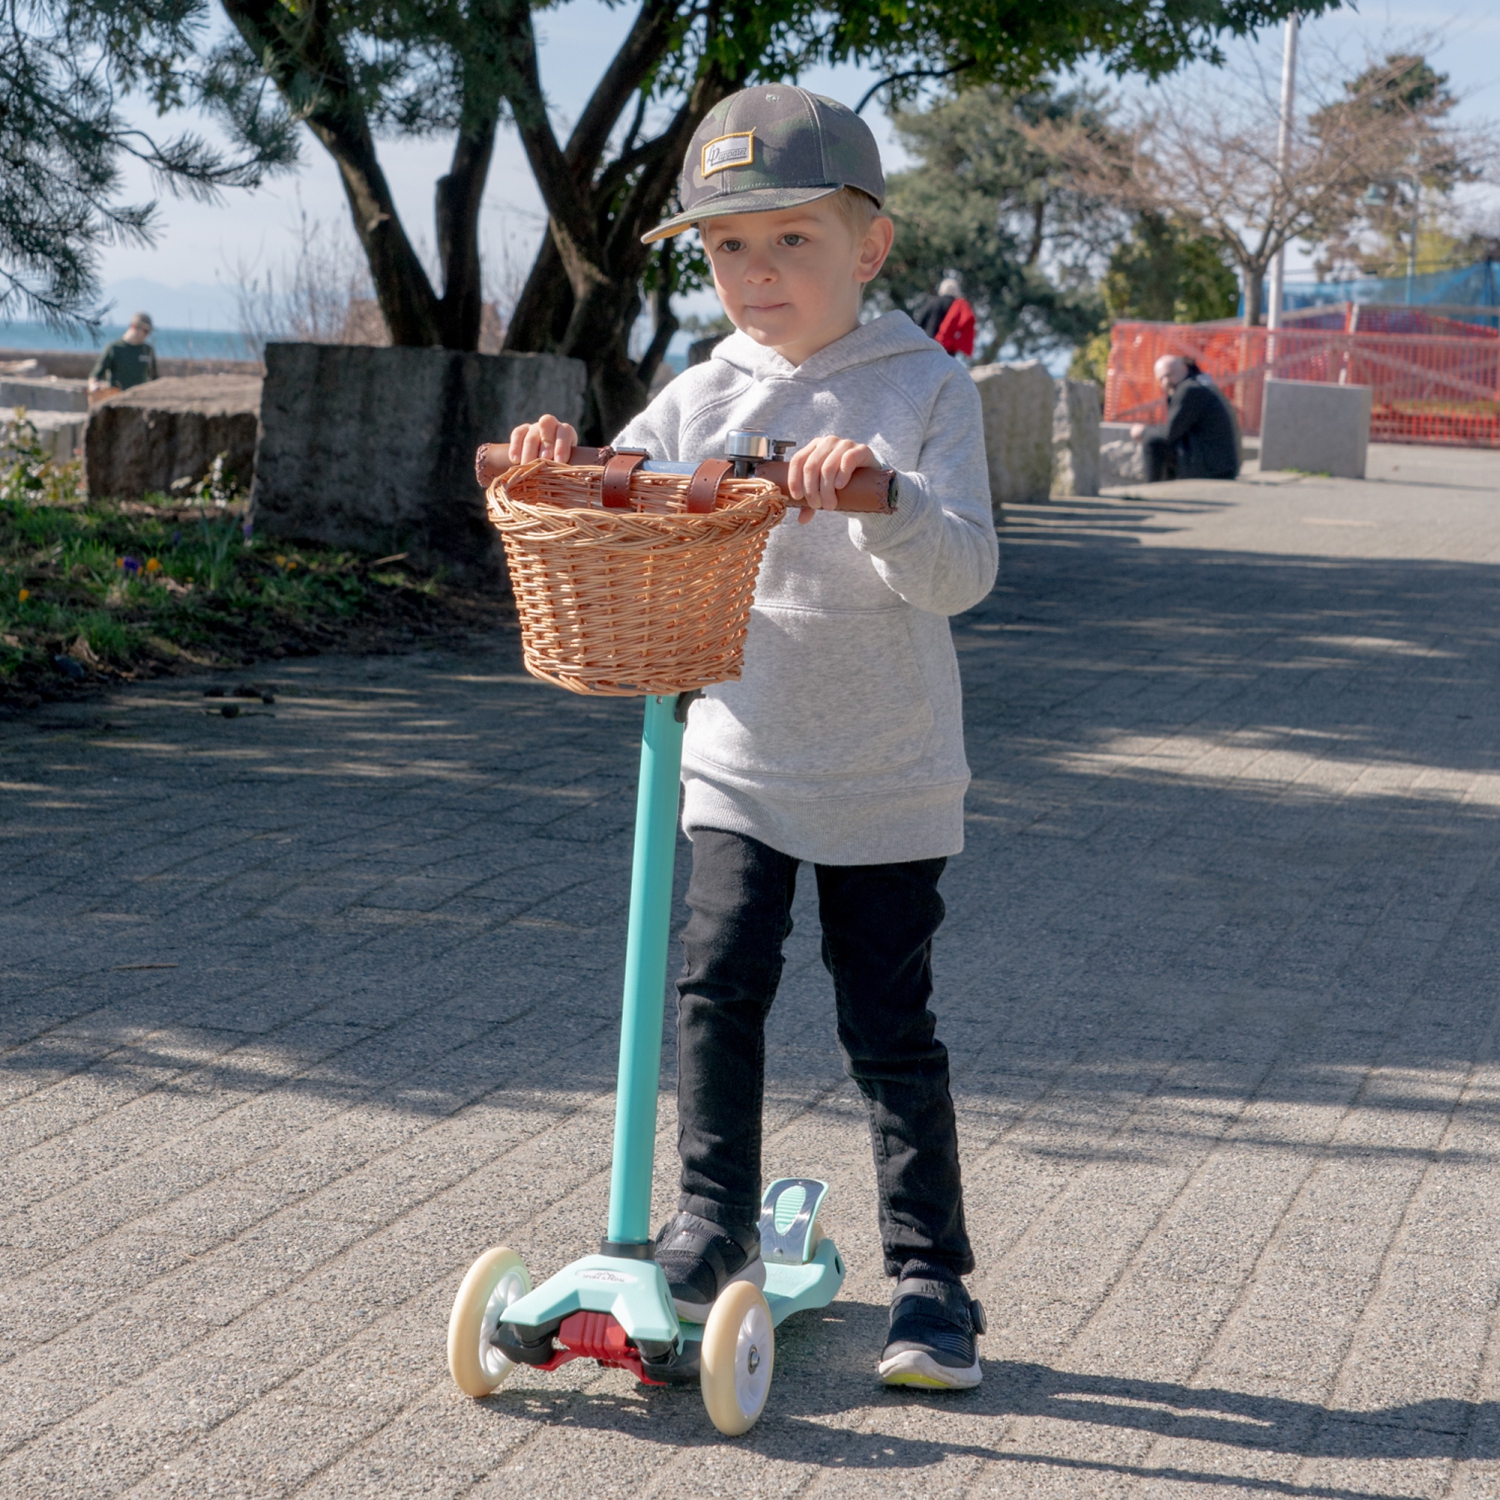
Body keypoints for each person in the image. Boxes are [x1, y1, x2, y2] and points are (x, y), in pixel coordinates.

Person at [507, 85, 997, 1390]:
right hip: (732, 755)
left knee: (889, 1026)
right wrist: (565, 463)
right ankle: (708, 1230)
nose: (757, 275)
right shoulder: (704, 391)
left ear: (869, 247)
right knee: (715, 990)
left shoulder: (924, 388)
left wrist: (883, 500)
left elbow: (962, 575)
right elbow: (629, 495)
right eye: (729, 248)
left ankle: (933, 1286)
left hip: (887, 774)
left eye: (793, 241)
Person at [1130, 354, 1239, 482]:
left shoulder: (1189, 390)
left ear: (1184, 369)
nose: (1166, 382)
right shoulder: (1199, 384)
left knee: (1152, 441)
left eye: (1169, 374)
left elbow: (1170, 433)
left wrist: (1143, 431)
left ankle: (1153, 492)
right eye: (1161, 379)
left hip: (1212, 468)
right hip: (1219, 465)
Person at [89, 313, 158, 394]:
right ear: (133, 326)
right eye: (145, 331)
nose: (147, 335)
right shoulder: (114, 348)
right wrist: (93, 385)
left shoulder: (148, 350)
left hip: (140, 399)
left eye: (149, 332)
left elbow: (154, 377)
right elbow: (96, 374)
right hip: (117, 398)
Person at [911, 276, 976, 359]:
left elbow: (918, 323)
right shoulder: (959, 306)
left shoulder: (932, 302)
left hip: (928, 347)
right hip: (947, 351)